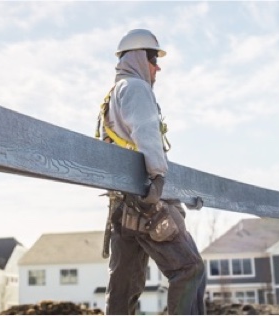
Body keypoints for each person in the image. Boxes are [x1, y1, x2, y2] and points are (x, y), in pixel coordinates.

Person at [98, 29, 206, 315]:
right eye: (153, 58)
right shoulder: (135, 88)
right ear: (137, 57)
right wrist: (158, 177)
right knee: (190, 269)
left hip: (121, 208)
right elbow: (146, 131)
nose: (157, 67)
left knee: (125, 286)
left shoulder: (112, 96)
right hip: (144, 202)